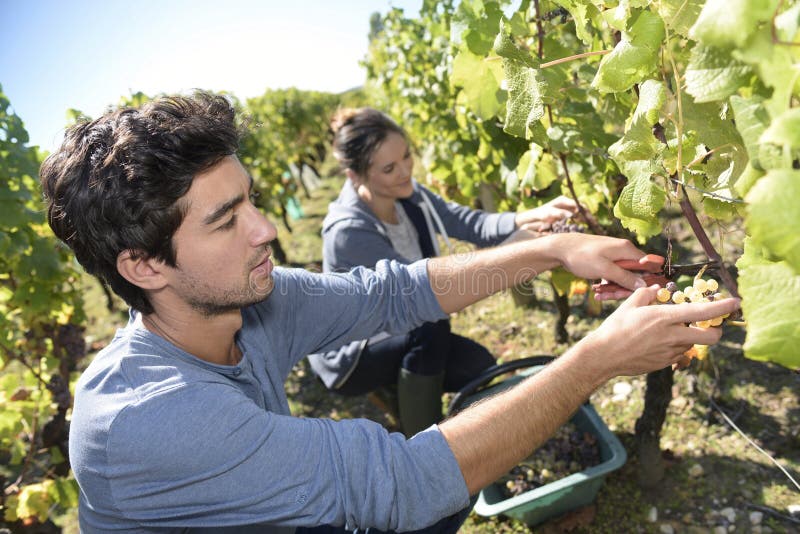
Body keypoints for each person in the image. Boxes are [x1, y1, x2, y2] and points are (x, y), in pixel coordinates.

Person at [40, 91, 738, 534]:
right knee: (432, 485)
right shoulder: (146, 421)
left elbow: (392, 293)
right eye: (227, 222)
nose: (265, 231)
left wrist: (552, 255)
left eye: (252, 200)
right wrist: (595, 360)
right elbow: (403, 484)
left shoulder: (256, 303)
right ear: (143, 266)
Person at [309, 107, 581, 436]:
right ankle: (422, 446)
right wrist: (520, 250)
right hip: (353, 354)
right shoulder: (349, 232)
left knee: (478, 367)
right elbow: (427, 293)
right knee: (431, 328)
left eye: (407, 156)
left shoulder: (409, 194)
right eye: (389, 168)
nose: (405, 170)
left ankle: (403, 393)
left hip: (399, 327)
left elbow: (468, 222)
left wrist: (527, 218)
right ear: (356, 177)